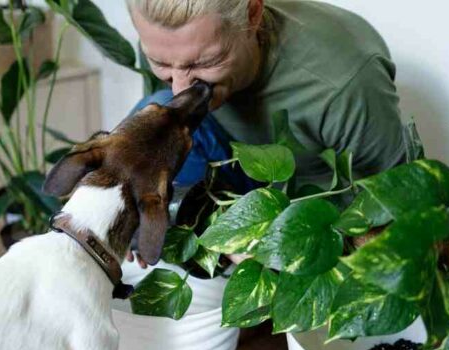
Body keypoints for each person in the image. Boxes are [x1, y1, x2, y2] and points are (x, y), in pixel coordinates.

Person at [126, 0, 406, 266]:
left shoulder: (346, 83)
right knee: (157, 113)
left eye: (202, 63)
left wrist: (275, 243)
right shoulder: (168, 42)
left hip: (313, 208)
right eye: (161, 64)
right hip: (229, 172)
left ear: (253, 14)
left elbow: (395, 202)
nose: (180, 89)